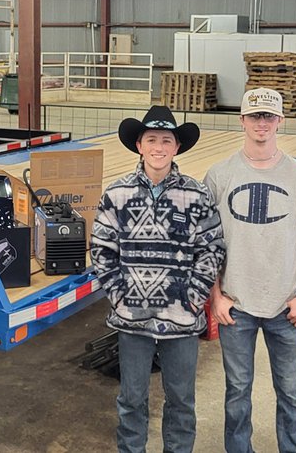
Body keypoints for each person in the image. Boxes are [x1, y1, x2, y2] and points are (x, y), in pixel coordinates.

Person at [90, 105, 225, 453]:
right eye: (152, 139)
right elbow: (102, 250)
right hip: (132, 322)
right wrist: (121, 297)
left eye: (167, 140)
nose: (159, 147)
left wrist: (194, 297)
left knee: (181, 402)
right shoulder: (116, 194)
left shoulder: (196, 194)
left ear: (177, 147)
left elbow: (211, 248)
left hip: (182, 320)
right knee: (131, 400)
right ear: (139, 145)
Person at [204, 88, 296, 453]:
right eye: (255, 116)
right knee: (237, 393)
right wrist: (216, 297)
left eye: (268, 116)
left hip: (286, 307)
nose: (262, 123)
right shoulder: (220, 175)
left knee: (291, 393)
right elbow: (207, 244)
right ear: (241, 120)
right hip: (236, 306)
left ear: (280, 121)